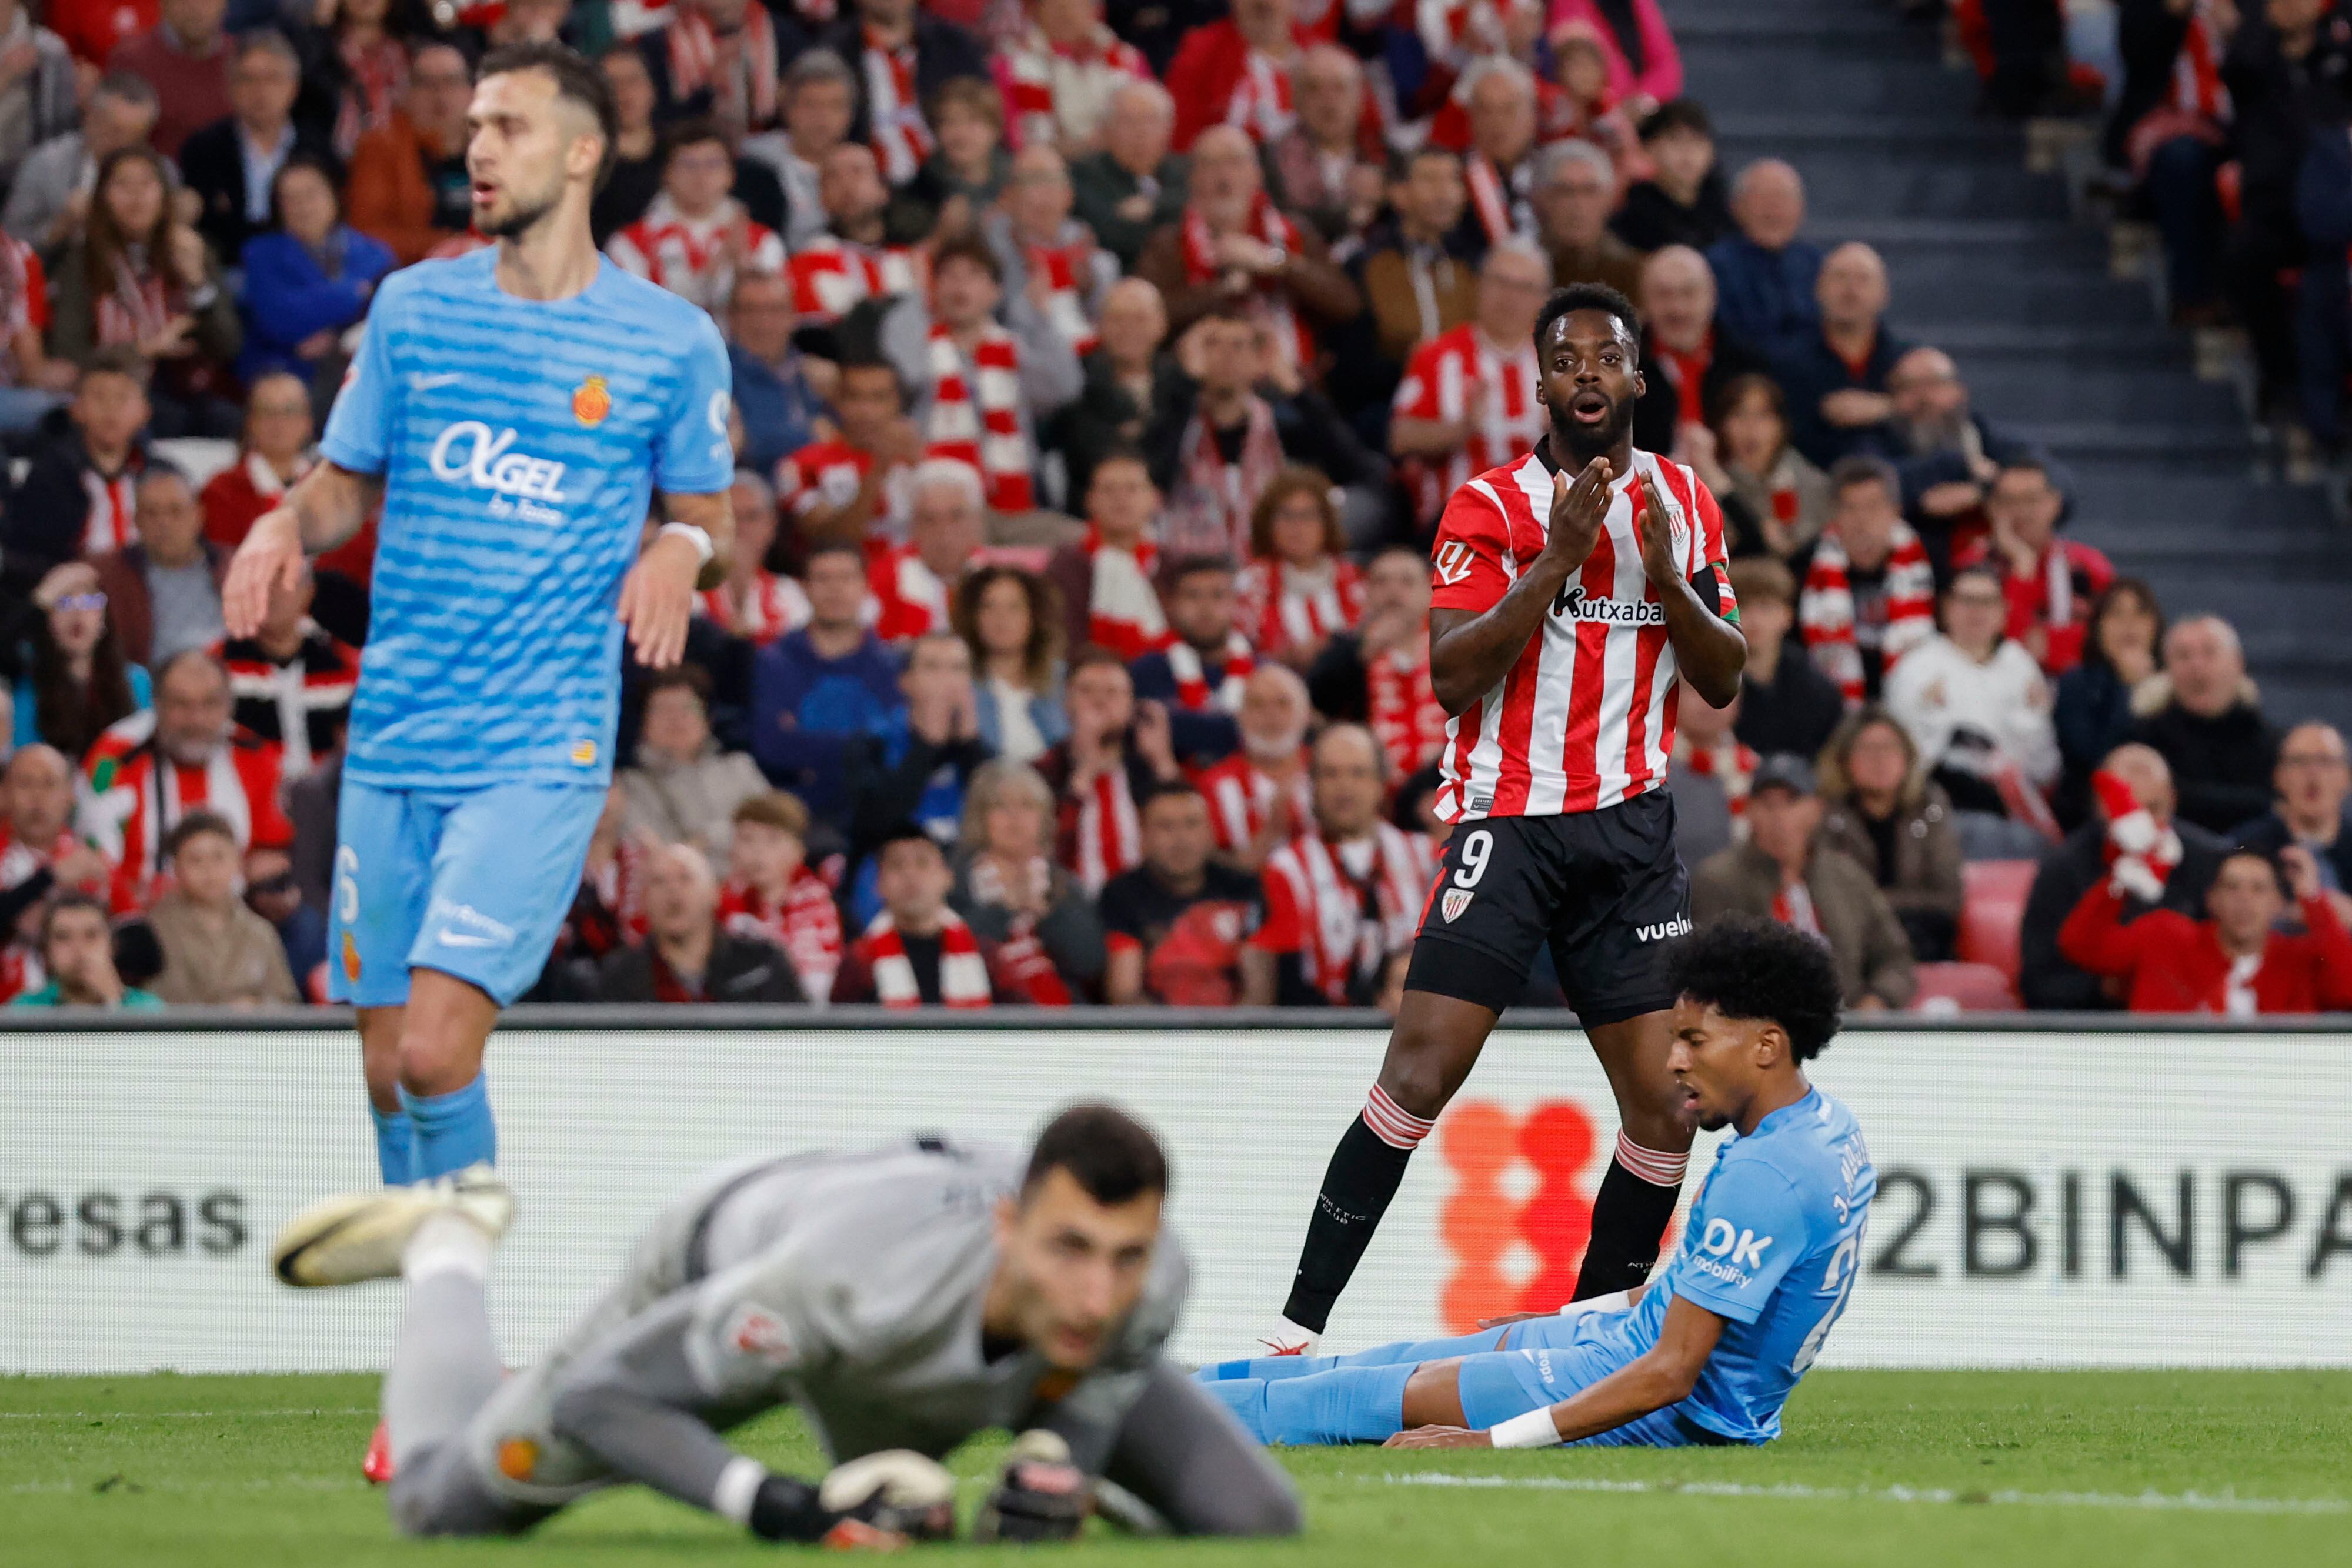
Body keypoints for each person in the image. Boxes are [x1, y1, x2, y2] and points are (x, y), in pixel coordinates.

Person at [220, 44, 736, 1210]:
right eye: (476, 128)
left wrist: (676, 547)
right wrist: (282, 522)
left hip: (536, 745)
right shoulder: (413, 306)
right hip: (396, 733)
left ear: (583, 152)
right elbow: (348, 479)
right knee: (382, 1069)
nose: (479, 147)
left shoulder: (667, 341)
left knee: (435, 1054)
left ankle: (460, 1338)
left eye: (509, 126)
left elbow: (716, 517)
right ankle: (434, 1360)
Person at [1267, 281, 1746, 1355]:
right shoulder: (1488, 505)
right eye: (1565, 360)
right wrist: (1555, 565)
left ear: (1635, 377)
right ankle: (1291, 1332)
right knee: (1415, 1076)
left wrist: (1664, 575)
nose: (1586, 374)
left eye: (1605, 358)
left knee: (1664, 1111)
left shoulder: (1684, 500)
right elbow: (1448, 672)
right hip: (1510, 822)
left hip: (1629, 836)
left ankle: (1585, 1337)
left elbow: (1721, 677)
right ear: (1538, 384)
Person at [271, 1106, 1299, 1539]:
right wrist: (780, 1507)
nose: (1094, 1294)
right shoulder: (842, 1282)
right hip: (728, 1260)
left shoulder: (1150, 1278)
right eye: (1067, 1249)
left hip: (898, 1334)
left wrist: (1056, 1466)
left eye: (1121, 1258)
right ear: (1008, 1228)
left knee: (1255, 1518)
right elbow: (601, 1396)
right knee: (444, 1506)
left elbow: (1103, 1372)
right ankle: (446, 1243)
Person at [1199, 916, 1871, 1453]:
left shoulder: (1766, 1173)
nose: (1674, 1061)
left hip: (1655, 1398)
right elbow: (1703, 1285)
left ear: (1766, 1045)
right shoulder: (1827, 1131)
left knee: (1353, 1399)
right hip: (1619, 1345)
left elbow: (1672, 1370)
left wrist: (1493, 1440)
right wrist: (1572, 1314)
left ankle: (1123, 1411)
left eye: (1694, 1040)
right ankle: (1155, 1389)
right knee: (1380, 1363)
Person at [1691, 756, 1916, 1010]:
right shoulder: (1717, 881)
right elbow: (1708, 973)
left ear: (1816, 809)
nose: (1779, 816)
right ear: (1749, 810)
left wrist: (1878, 1000)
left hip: (1849, 1026)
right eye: (1767, 804)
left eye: (1792, 802)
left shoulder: (1847, 877)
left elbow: (1896, 958)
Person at [1133, 126, 1360, 376]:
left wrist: (1276, 263)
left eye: (1235, 162)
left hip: (1293, 379)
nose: (1224, 177)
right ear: (1192, 177)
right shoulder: (1168, 243)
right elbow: (1148, 319)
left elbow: (1346, 305)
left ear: (1257, 174)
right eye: (1211, 164)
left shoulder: (1294, 232)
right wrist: (1223, 291)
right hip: (1201, 383)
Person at [2018, 744, 2230, 1011]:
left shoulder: (2210, 863)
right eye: (2128, 810)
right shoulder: (2062, 870)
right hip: (2095, 1033)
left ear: (2173, 801)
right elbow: (2039, 983)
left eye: (2153, 809)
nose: (2142, 826)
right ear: (2099, 804)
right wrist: (2106, 988)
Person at [879, 233, 1079, 515]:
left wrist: (1040, 316)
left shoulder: (1013, 349)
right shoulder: (921, 346)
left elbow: (1064, 387)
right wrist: (916, 297)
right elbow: (911, 371)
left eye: (973, 276)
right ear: (934, 289)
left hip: (1013, 507)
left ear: (996, 292)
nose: (960, 287)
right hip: (938, 507)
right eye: (949, 276)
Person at [49, 146, 242, 436]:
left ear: (165, 195)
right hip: (112, 393)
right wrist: (143, 349)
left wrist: (198, 282)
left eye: (146, 184)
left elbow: (227, 345)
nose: (136, 196)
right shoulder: (83, 260)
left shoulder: (191, 248)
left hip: (183, 385)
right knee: (148, 421)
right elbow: (69, 353)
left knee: (228, 421)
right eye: (122, 185)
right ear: (102, 197)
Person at [85, 647, 295, 909]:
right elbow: (94, 861)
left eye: (210, 703)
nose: (196, 719)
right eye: (181, 704)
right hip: (141, 921)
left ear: (229, 705)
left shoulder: (254, 754)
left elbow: (274, 849)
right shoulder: (114, 757)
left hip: (235, 915)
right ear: (157, 704)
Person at [1256, 723, 1436, 1011]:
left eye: (1358, 773)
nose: (1345, 786)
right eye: (1331, 774)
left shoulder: (1428, 857)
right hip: (1325, 1031)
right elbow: (1285, 983)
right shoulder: (1285, 870)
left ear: (1381, 783)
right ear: (1312, 785)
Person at [2060, 839, 2352, 1013]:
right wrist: (2121, 881)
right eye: (2232, 887)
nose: (2244, 901)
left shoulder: (2301, 960)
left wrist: (2314, 900)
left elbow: (2346, 990)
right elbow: (2080, 945)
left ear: (2278, 904)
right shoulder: (2165, 938)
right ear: (2212, 900)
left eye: (2258, 889)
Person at [1389, 238, 1550, 529]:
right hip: (1455, 520)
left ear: (1544, 299)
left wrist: (1564, 429)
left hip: (1541, 522)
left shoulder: (1560, 362)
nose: (1510, 297)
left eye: (1525, 288)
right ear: (1480, 286)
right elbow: (1401, 437)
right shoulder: (1436, 356)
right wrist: (1461, 429)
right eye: (1501, 283)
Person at [1881, 565, 2061, 820]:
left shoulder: (2020, 665)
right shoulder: (1916, 668)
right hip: (1935, 807)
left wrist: (2032, 723)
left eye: (1987, 602)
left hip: (2010, 811)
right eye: (1967, 601)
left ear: (2003, 612)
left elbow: (2045, 769)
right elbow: (1901, 760)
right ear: (1946, 608)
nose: (1977, 611)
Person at [747, 541, 900, 819]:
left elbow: (897, 749)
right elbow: (773, 747)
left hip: (877, 812)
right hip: (797, 814)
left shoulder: (892, 665)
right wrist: (863, 746)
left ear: (867, 586)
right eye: (823, 578)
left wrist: (808, 747)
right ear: (804, 587)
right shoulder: (774, 662)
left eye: (846, 578)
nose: (835, 589)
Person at [1099, 779, 1274, 1005]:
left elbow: (1259, 993)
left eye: (1192, 824)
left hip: (1237, 1036)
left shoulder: (1245, 889)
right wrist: (1175, 1040)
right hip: (1155, 1037)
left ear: (1210, 831)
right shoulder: (1121, 895)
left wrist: (1229, 1040)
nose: (1180, 840)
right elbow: (1126, 994)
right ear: (1144, 836)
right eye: (1166, 826)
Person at [1816, 705, 1963, 965]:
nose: (1880, 760)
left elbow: (1949, 897)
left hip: (1923, 935)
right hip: (1849, 942)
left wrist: (1879, 902)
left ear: (1907, 758)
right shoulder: (1826, 816)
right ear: (1845, 760)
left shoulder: (1931, 808)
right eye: (1868, 750)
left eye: (1890, 749)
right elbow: (1829, 897)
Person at [950, 759, 1106, 1003]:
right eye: (1001, 806)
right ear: (980, 818)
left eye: (1027, 806)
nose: (1015, 817)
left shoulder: (1062, 883)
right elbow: (951, 955)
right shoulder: (954, 881)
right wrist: (1005, 909)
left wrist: (1047, 913)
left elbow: (1089, 963)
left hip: (1064, 1022)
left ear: (1044, 819)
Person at [2, 349, 154, 598]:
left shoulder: (158, 475)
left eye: (122, 398)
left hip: (145, 599)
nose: (110, 408)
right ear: (77, 408)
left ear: (145, 412)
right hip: (68, 600)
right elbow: (24, 555)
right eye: (99, 396)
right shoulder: (50, 475)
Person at [235, 154, 396, 386]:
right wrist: (354, 293)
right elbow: (280, 318)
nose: (303, 206)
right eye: (290, 199)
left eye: (311, 194)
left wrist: (337, 338)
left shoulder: (375, 254)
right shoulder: (260, 254)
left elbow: (385, 319)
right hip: (284, 372)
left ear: (334, 195)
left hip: (359, 371)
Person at [178, 31, 335, 268]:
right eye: (247, 79)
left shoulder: (319, 149)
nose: (261, 91)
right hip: (229, 270)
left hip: (306, 267)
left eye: (273, 79)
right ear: (230, 87)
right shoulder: (203, 149)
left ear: (293, 88)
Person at [1035, 647, 1183, 892]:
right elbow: (1045, 854)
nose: (1100, 702)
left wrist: (1163, 764)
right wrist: (1083, 776)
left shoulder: (1149, 767)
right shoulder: (1044, 771)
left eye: (1113, 693)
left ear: (1131, 705)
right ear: (1066, 702)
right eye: (1087, 691)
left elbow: (1189, 846)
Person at [840, 631, 995, 861]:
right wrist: (927, 744)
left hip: (967, 875)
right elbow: (873, 827)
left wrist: (971, 746)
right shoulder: (870, 744)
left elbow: (1000, 823)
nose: (947, 679)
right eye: (933, 667)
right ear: (906, 681)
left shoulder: (983, 753)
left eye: (958, 668)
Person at [605, 121, 786, 316]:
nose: (701, 176)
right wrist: (719, 263)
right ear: (666, 173)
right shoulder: (631, 244)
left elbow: (771, 317)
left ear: (731, 174)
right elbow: (637, 313)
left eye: (713, 165)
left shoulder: (762, 242)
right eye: (688, 165)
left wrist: (743, 268)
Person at [1797, 456, 1934, 705]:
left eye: (1873, 507)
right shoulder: (1807, 567)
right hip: (1831, 704)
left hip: (1913, 699)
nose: (1862, 520)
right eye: (1850, 508)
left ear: (1896, 511)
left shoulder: (1928, 563)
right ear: (1834, 515)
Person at [595, 841, 805, 1003]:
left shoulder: (762, 963)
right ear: (644, 901)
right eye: (659, 881)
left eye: (685, 878)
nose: (673, 891)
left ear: (714, 894)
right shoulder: (620, 975)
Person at [2129, 615, 2281, 836]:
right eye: (2183, 656)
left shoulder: (2274, 745)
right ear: (2167, 669)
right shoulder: (2142, 741)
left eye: (2209, 653)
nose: (2196, 666)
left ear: (2238, 663)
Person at [1307, 544, 1447, 783]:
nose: (1393, 592)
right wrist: (1362, 652)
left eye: (1407, 582)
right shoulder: (1346, 652)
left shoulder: (1453, 647)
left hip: (1445, 788)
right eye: (1381, 582)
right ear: (1366, 594)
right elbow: (1316, 701)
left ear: (1430, 592)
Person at [815, 0, 990, 186]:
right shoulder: (831, 52)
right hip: (864, 186)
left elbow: (987, 112)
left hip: (950, 180)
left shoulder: (954, 44)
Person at [214, 557, 359, 779]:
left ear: (308, 592)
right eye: (261, 585)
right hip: (250, 794)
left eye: (283, 584)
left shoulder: (345, 665)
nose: (272, 594)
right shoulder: (216, 666)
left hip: (329, 800)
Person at [1627, 243, 1771, 461]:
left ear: (1712, 297)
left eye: (1689, 293)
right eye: (1663, 295)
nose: (1677, 309)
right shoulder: (1621, 369)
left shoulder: (1747, 366)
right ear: (1644, 302)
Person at [1770, 242, 1909, 468]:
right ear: (1818, 289)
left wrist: (1888, 409)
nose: (1850, 290)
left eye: (1863, 279)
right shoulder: (1786, 363)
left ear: (1885, 294)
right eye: (1840, 277)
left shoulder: (1909, 362)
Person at [834, 823, 1006, 1006]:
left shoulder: (986, 956)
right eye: (897, 866)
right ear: (879, 884)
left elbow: (1025, 1022)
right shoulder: (860, 962)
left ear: (947, 878)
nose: (910, 875)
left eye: (922, 863)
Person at [144, 808, 301, 1005]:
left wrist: (257, 1007)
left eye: (219, 857)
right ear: (177, 869)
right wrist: (225, 1013)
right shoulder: (157, 930)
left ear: (237, 862)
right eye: (195, 860)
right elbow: (164, 1003)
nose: (208, 870)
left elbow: (287, 1002)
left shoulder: (260, 931)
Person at [4, 72, 165, 254]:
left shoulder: (161, 173)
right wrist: (59, 226)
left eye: (136, 137)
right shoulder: (46, 164)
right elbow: (10, 247)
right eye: (115, 131)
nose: (124, 145)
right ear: (90, 117)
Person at [0, 746, 115, 999]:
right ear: (5, 794)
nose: (37, 798)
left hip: (75, 1016)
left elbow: (145, 952)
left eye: (49, 784)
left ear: (70, 795)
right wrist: (50, 877)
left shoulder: (93, 862)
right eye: (25, 784)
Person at [618, 666, 768, 859]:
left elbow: (776, 829)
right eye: (662, 709)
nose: (675, 719)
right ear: (643, 724)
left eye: (687, 707)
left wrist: (708, 838)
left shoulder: (740, 767)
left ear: (707, 719)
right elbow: (654, 853)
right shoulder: (630, 785)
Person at [345, 41, 473, 267]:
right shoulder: (379, 147)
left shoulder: (496, 144)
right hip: (415, 274)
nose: (441, 95)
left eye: (452, 82)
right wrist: (450, 246)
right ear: (408, 93)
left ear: (471, 91)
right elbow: (366, 234)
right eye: (427, 84)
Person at [92, 465, 229, 670]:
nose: (164, 523)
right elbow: (72, 606)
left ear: (198, 515)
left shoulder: (231, 567)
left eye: (175, 511)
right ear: (136, 521)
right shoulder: (108, 575)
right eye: (152, 513)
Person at [2053, 577, 2164, 828]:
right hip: (2089, 819)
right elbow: (2093, 759)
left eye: (2140, 614)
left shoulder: (2173, 686)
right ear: (2098, 628)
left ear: (2156, 627)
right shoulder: (2075, 684)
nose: (2129, 625)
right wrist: (2126, 688)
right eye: (2116, 614)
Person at [12, 562, 152, 759]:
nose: (77, 614)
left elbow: (145, 755)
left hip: (119, 785)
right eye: (64, 602)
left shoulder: (137, 682)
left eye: (89, 602)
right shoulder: (27, 692)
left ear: (104, 619)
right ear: (46, 620)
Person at [775, 358, 920, 544]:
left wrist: (922, 464)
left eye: (879, 397)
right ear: (837, 402)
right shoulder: (801, 465)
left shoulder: (921, 459)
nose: (866, 410)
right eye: (855, 397)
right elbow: (827, 539)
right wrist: (876, 472)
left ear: (898, 403)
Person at [1687, 373, 1829, 563]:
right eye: (1739, 415)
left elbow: (1792, 551)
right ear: (1722, 426)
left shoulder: (1809, 482)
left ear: (1781, 426)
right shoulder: (1707, 484)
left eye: (1762, 415)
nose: (1751, 427)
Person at [1359, 146, 1476, 375]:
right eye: (1430, 180)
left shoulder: (1472, 263)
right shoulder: (1369, 262)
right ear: (1398, 193)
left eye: (1453, 180)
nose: (1445, 194)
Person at [1129, 555, 1253, 765]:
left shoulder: (1261, 672)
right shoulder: (1145, 671)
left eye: (1218, 596)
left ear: (1235, 603)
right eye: (1193, 596)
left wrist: (1179, 722)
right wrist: (1242, 724)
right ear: (1171, 605)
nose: (1206, 608)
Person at [1190, 663, 1313, 865]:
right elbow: (1213, 872)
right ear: (1239, 717)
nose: (1271, 716)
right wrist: (1271, 832)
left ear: (1306, 714)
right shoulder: (1213, 786)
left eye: (1283, 704)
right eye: (1257, 705)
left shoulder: (1330, 771)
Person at [1238, 469, 1360, 667]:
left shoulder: (1356, 578)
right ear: (1268, 525)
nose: (1298, 527)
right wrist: (1287, 659)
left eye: (1308, 515)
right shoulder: (1249, 583)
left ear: (1327, 524)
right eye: (1287, 516)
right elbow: (1239, 655)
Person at [1723, 557, 1840, 763]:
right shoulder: (1707, 682)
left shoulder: (1816, 689)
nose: (1753, 619)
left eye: (1765, 606)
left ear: (1787, 616)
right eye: (1741, 606)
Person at [1264, 45, 1378, 244]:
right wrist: (1349, 216)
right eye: (1314, 89)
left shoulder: (1389, 157)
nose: (1328, 102)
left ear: (1360, 99)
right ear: (1296, 100)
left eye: (1339, 88)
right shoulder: (1271, 161)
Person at [2233, 722, 2352, 913]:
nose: (2313, 773)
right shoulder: (2247, 846)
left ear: (2347, 778)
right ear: (2279, 777)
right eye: (2299, 761)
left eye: (2325, 761)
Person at [955, 565, 1067, 767]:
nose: (1001, 618)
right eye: (988, 607)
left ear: (1033, 617)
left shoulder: (1063, 680)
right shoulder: (958, 683)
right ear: (974, 618)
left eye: (1014, 607)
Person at [740, 47, 852, 249]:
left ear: (850, 114)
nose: (822, 118)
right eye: (811, 105)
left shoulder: (858, 165)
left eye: (835, 106)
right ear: (788, 108)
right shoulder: (753, 159)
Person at [1069, 81, 1186, 272]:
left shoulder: (1185, 172)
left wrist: (1154, 206)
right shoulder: (1085, 175)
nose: (1141, 132)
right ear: (1107, 130)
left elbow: (1199, 210)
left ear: (1169, 128)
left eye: (1151, 121)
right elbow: (1113, 236)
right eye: (1129, 122)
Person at [1705, 159, 1820, 351]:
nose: (1773, 209)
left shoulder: (1817, 265)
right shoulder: (1714, 266)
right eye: (1761, 197)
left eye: (1783, 197)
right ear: (1736, 207)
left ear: (1801, 210)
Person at [722, 272, 824, 475]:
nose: (763, 323)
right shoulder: (717, 375)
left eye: (775, 310)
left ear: (793, 317)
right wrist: (809, 435)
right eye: (750, 311)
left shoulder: (809, 373)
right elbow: (745, 447)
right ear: (730, 318)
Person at [106, 0, 231, 159]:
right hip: (155, 178)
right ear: (163, 4)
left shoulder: (247, 67)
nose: (195, 7)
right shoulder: (130, 61)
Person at [1609, 99, 1730, 254]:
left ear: (1712, 152)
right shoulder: (1630, 220)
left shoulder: (1726, 216)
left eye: (1697, 140)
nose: (1688, 151)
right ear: (1648, 148)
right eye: (1675, 139)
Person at [1532, 139, 1644, 303]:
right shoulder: (1519, 272)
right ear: (1542, 199)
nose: (1578, 204)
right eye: (1565, 191)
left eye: (1590, 191)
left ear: (1610, 200)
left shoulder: (1634, 274)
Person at [9, 891, 164, 1009]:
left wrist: (114, 1004)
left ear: (112, 947)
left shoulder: (148, 1010)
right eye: (63, 937)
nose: (79, 949)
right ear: (46, 952)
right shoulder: (25, 1012)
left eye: (91, 936)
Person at [1663, 686, 1751, 867]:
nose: (1709, 701)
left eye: (1724, 689)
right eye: (1695, 689)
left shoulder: (1753, 770)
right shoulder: (1651, 772)